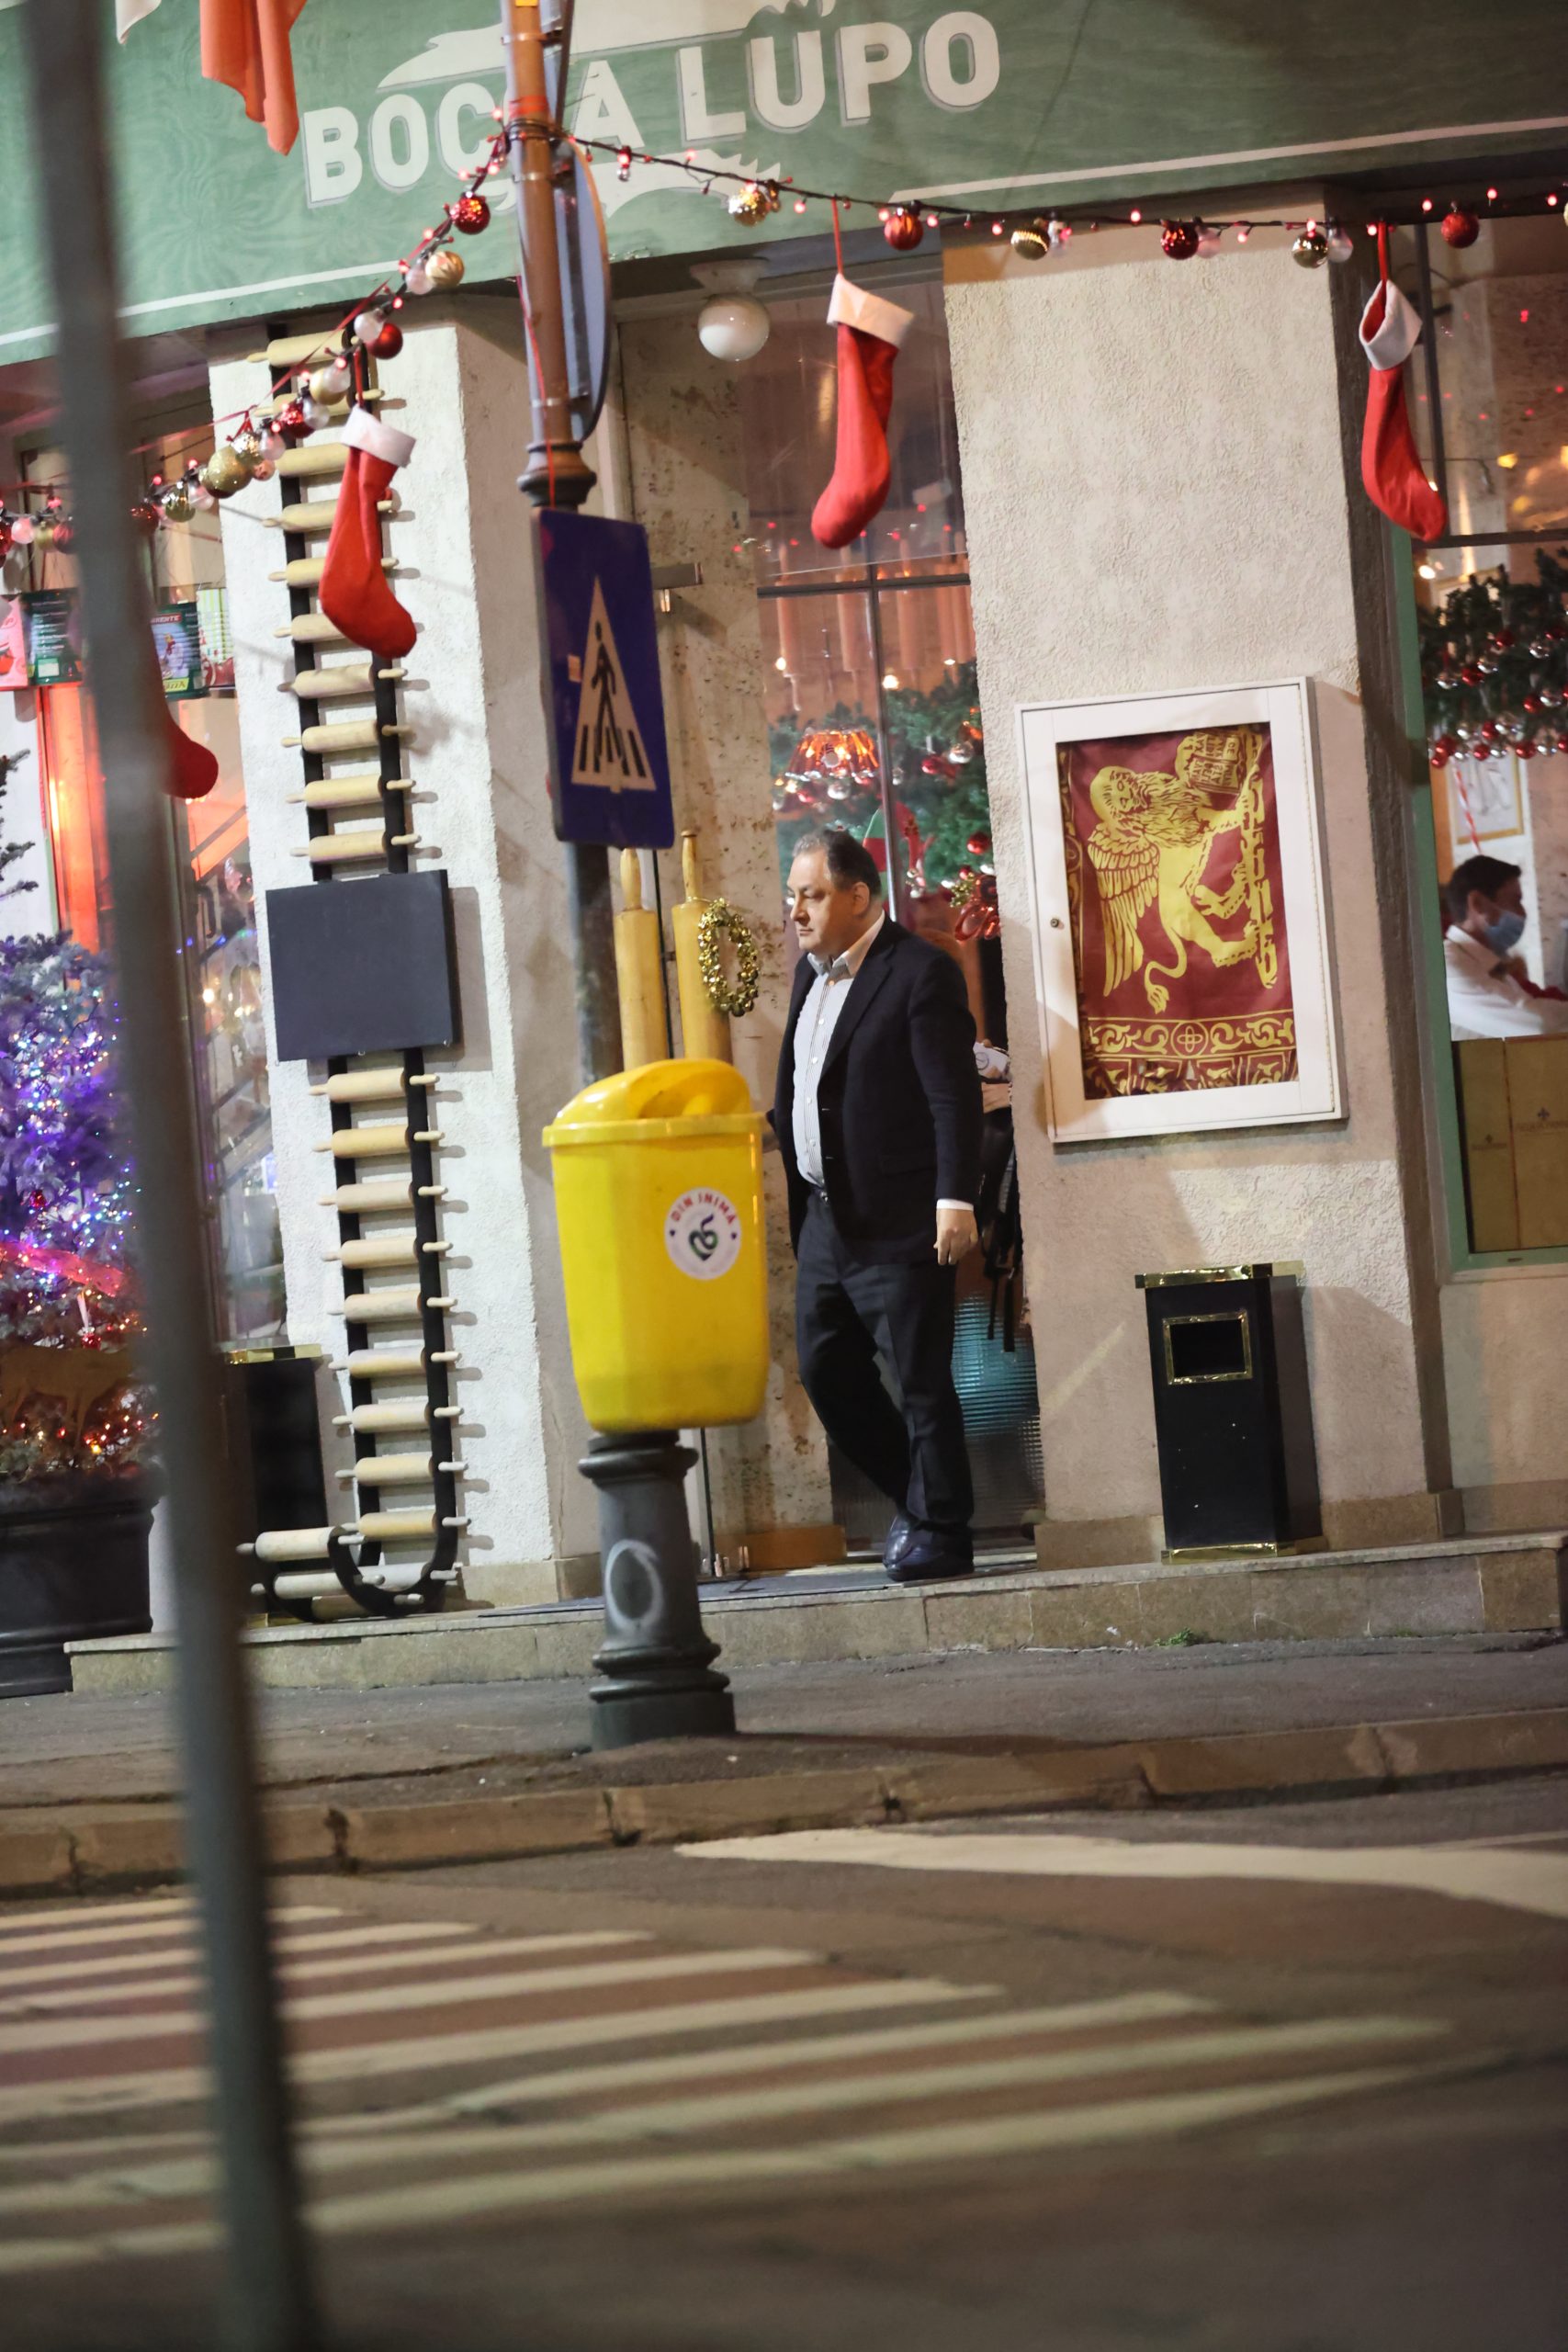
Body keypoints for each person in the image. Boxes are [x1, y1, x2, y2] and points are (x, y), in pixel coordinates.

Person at [774, 829, 984, 1582]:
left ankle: (944, 1534)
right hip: (824, 1217)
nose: (796, 911)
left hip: (900, 1214)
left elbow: (950, 1096)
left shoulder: (919, 971)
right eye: (793, 895)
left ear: (858, 896)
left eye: (812, 895)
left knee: (919, 1380)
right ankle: (918, 1502)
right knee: (824, 1369)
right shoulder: (808, 976)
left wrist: (954, 1198)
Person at [1442, 855, 1568, 1041]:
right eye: (1516, 901)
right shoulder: (1448, 966)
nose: (1522, 913)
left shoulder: (1490, 965)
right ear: (1477, 903)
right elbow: (1535, 1023)